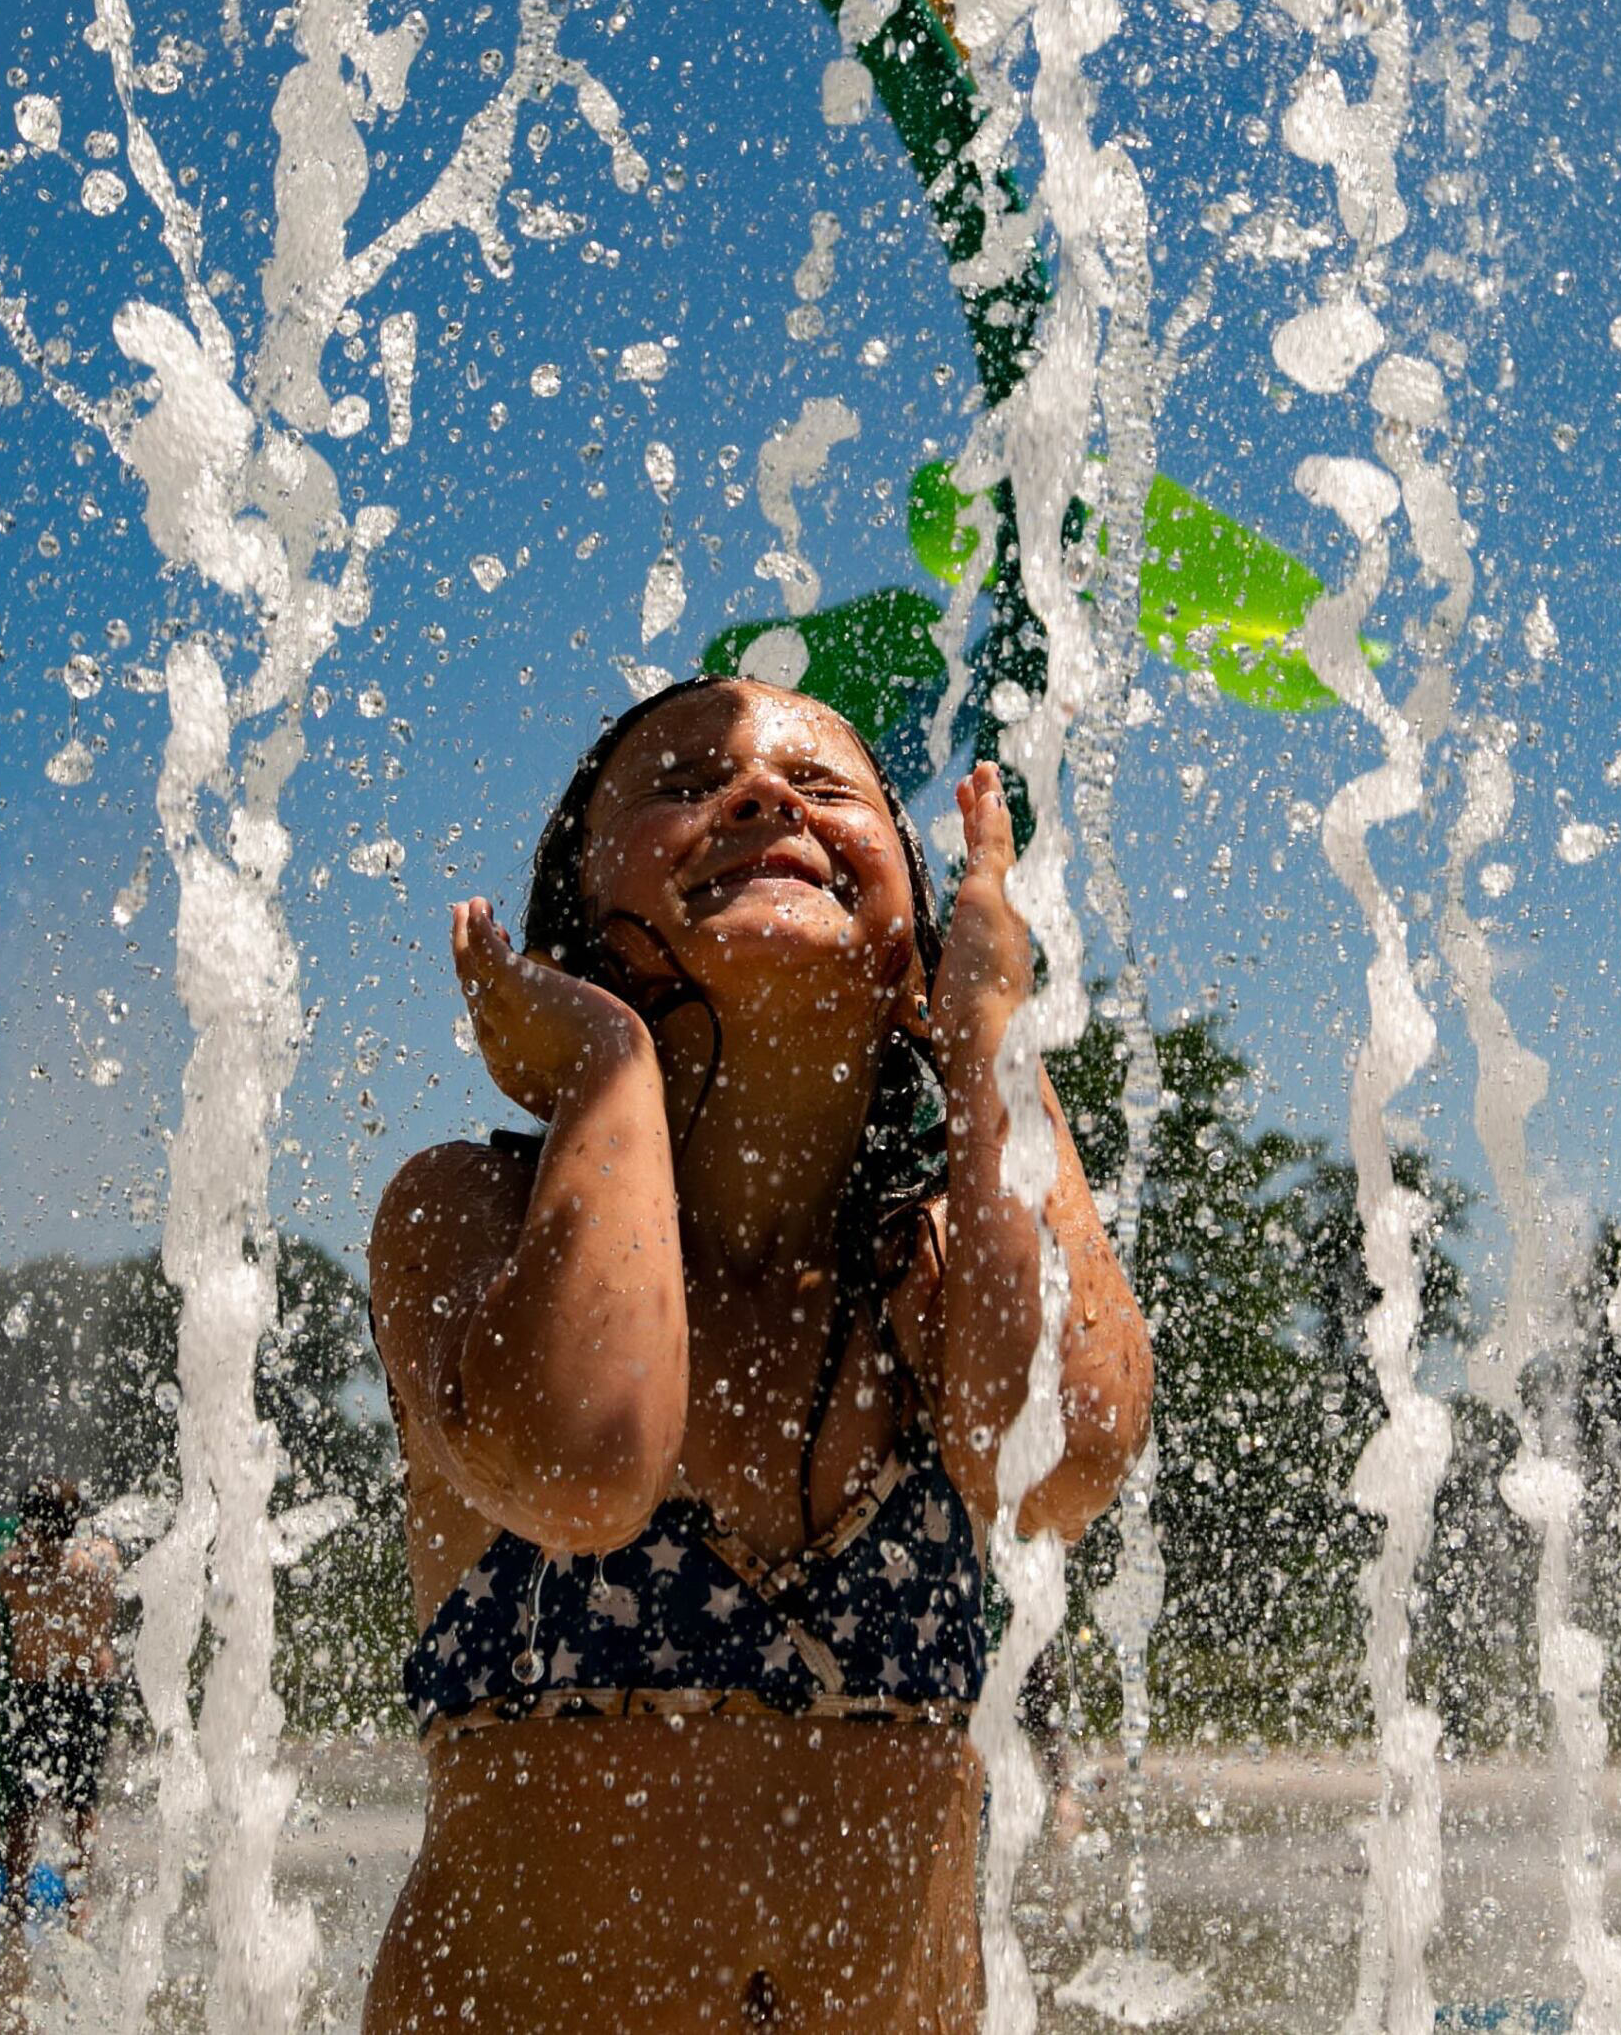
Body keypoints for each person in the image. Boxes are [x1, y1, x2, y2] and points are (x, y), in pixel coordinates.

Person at [366, 679, 1152, 2035]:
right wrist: (607, 1067)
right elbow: (580, 1465)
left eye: (827, 786)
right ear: (569, 934)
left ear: (910, 943)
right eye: (681, 783)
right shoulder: (469, 1217)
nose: (761, 793)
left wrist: (992, 1050)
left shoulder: (943, 1264)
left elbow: (1058, 1466)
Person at [0, 1479, 124, 1914]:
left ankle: (17, 1896)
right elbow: (108, 1562)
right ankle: (78, 1899)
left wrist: (28, 1547)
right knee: (79, 1799)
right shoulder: (99, 1560)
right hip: (87, 1689)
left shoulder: (17, 1570)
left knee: (25, 1803)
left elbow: (1, 1577)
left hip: (36, 1690)